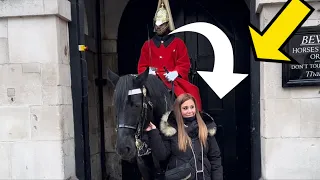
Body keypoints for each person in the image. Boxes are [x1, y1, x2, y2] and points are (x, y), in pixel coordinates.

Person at [137, 0, 203, 111]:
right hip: (152, 81)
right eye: (157, 24)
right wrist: (148, 72)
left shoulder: (178, 43)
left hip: (173, 80)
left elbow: (184, 63)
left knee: (192, 93)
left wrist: (176, 72)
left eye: (161, 24)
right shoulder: (147, 45)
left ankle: (195, 123)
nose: (158, 27)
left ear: (167, 24)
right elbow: (142, 66)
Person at [145, 93, 223, 180]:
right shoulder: (172, 129)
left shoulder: (205, 127)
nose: (190, 111)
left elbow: (215, 158)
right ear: (178, 110)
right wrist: (153, 132)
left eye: (192, 107)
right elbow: (161, 155)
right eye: (185, 108)